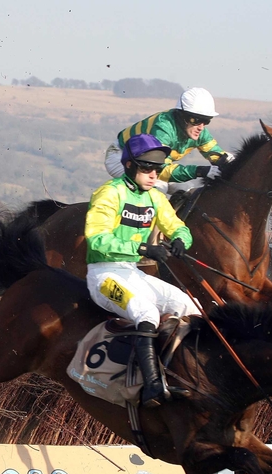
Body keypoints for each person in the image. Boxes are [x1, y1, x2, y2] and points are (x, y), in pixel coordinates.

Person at [85, 133, 200, 408]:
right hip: (103, 275)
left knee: (190, 307)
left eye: (157, 169)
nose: (153, 175)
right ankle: (151, 388)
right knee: (146, 312)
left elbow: (176, 226)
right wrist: (143, 250)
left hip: (132, 273)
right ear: (128, 166)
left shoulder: (156, 198)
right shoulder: (109, 192)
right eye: (146, 168)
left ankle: (189, 376)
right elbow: (96, 238)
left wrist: (183, 239)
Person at [104, 87, 233, 193]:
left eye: (206, 121)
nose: (200, 127)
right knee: (159, 189)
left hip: (151, 166)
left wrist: (230, 162)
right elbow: (161, 168)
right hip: (122, 158)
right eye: (196, 120)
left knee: (188, 190)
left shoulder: (200, 132)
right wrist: (199, 171)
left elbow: (218, 156)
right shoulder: (163, 128)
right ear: (181, 115)